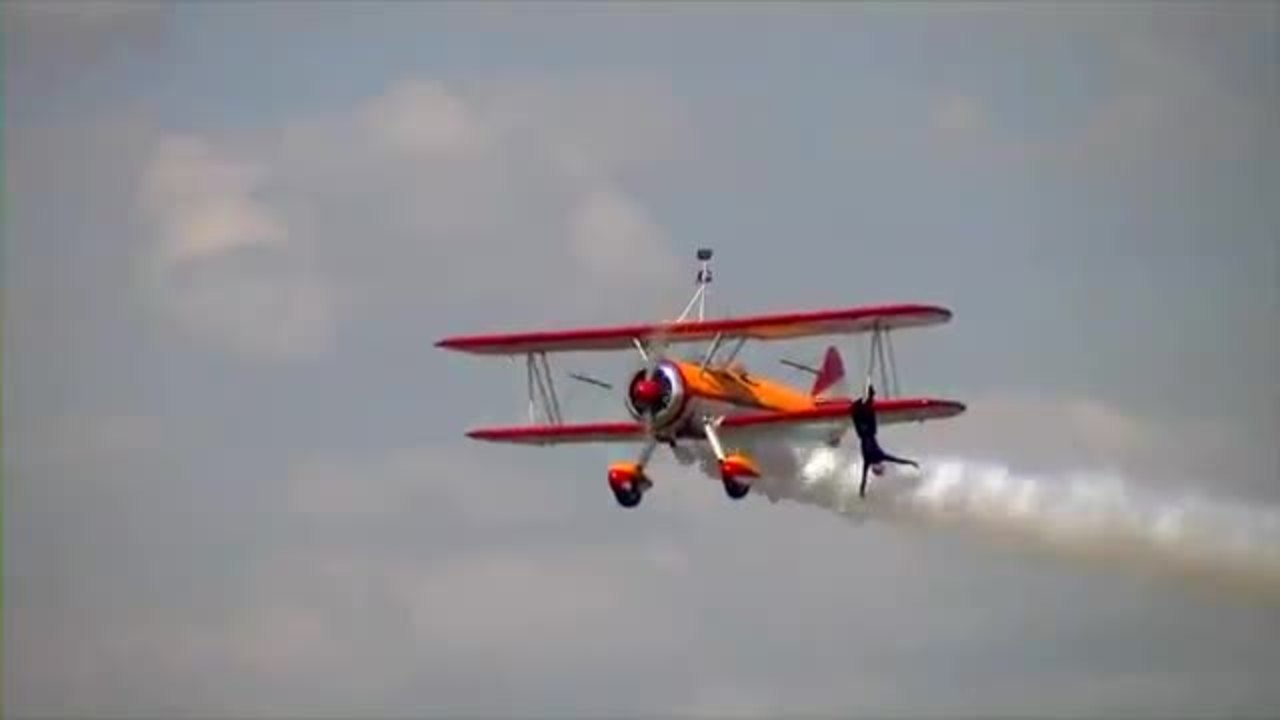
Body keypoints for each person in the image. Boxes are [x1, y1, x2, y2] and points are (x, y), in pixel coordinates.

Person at [850, 384, 918, 498]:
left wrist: (862, 491)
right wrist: (911, 463)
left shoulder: (872, 460)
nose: (877, 467)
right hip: (866, 431)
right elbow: (897, 460)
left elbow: (864, 479)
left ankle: (866, 398)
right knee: (864, 410)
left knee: (858, 411)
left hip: (864, 431)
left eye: (877, 470)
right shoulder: (878, 457)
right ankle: (868, 396)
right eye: (879, 469)